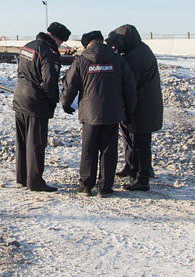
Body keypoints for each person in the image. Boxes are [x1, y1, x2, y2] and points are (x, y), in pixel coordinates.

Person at [61, 31, 136, 197]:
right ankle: (105, 187)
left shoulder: (81, 61)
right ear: (101, 42)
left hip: (89, 113)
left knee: (89, 148)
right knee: (109, 150)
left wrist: (65, 103)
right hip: (113, 112)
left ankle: (86, 186)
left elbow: (70, 84)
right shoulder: (118, 60)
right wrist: (129, 110)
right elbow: (129, 87)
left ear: (87, 44)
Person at [12, 21, 71, 193]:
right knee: (36, 143)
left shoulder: (27, 47)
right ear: (56, 38)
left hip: (20, 98)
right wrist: (55, 100)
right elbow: (49, 82)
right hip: (36, 103)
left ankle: (22, 177)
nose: (60, 45)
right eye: (61, 42)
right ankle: (35, 181)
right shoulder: (49, 53)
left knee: (22, 141)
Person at [107, 25, 163, 191]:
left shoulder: (136, 56)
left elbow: (129, 83)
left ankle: (142, 178)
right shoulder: (138, 50)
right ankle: (132, 167)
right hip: (141, 104)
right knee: (133, 139)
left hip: (141, 107)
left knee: (141, 142)